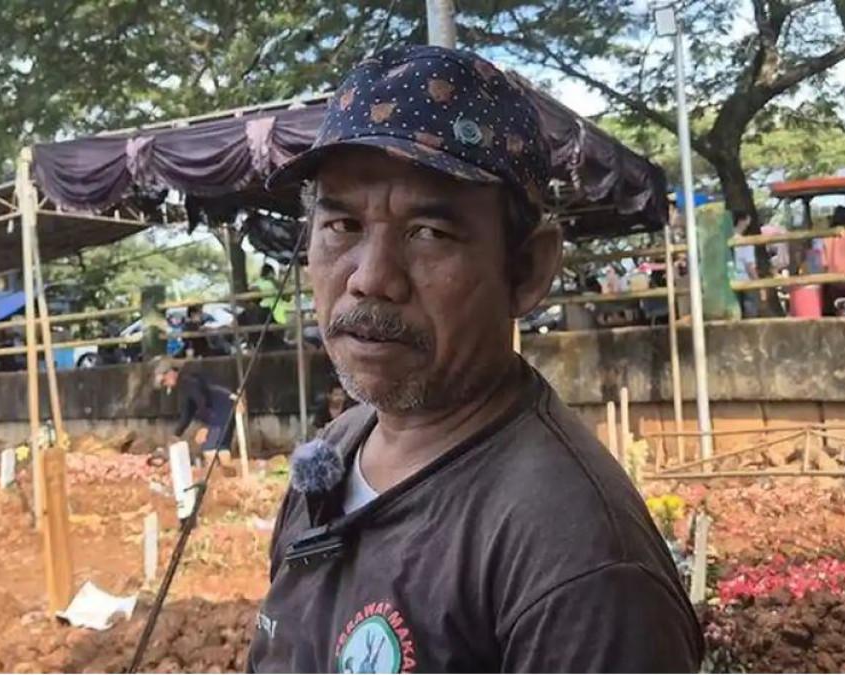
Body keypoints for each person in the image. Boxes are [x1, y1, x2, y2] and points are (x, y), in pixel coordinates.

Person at [248, 45, 702, 672]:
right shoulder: (336, 452)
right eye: (342, 226)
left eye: (429, 233)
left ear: (526, 270)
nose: (371, 278)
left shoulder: (576, 564)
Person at [156, 360, 235, 451]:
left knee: (211, 449)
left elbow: (201, 401)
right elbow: (188, 411)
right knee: (217, 448)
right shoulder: (183, 384)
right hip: (222, 408)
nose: (165, 385)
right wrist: (177, 434)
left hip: (220, 409)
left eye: (163, 381)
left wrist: (206, 427)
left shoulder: (187, 380)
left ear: (170, 373)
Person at [731, 210, 761, 318]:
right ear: (743, 221)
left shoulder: (724, 240)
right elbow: (750, 266)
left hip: (730, 280)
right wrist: (759, 283)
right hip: (746, 280)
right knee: (750, 313)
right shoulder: (746, 242)